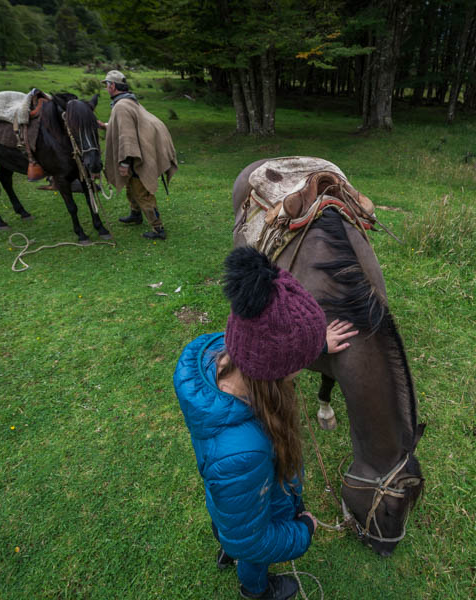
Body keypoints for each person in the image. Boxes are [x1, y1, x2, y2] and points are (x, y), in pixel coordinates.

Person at [174, 247, 358, 600]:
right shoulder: (245, 451)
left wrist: (315, 342)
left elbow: (267, 343)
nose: (301, 370)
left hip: (233, 494)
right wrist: (303, 530)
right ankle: (255, 590)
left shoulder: (217, 354)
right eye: (299, 363)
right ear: (275, 371)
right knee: (248, 550)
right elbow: (254, 540)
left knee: (230, 517)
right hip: (252, 503)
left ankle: (226, 540)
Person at [100, 70, 177, 240]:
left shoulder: (121, 106)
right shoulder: (128, 101)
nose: (106, 88)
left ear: (112, 85)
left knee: (142, 192)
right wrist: (106, 125)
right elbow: (128, 126)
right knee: (130, 187)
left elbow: (127, 137)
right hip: (138, 153)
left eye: (106, 85)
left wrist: (125, 163)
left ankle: (158, 229)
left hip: (135, 158)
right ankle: (135, 214)